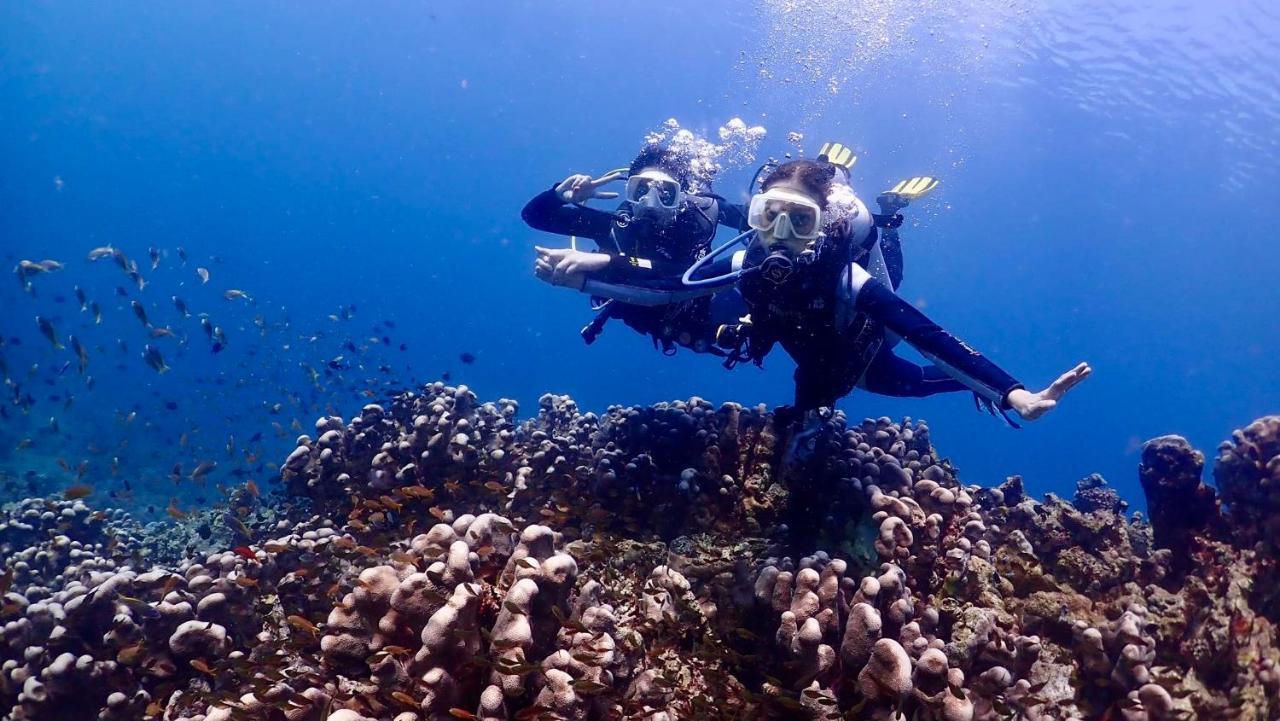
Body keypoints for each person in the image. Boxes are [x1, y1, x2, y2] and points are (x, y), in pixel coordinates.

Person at [539, 153, 1090, 424]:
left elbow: (928, 337)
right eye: (767, 216)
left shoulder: (846, 276)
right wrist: (592, 270)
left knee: (906, 383)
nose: (779, 235)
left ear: (823, 223)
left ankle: (889, 221)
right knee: (804, 407)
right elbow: (669, 288)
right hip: (796, 343)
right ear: (751, 216)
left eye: (798, 221)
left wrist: (1015, 394)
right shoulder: (744, 256)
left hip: (855, 351)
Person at [522, 145, 748, 354]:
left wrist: (608, 262)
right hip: (640, 314)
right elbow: (535, 216)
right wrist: (559, 196)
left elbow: (683, 273)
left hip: (696, 311)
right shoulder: (618, 225)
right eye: (640, 191)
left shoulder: (699, 218)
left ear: (682, 197)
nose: (651, 202)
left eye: (665, 194)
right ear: (628, 191)